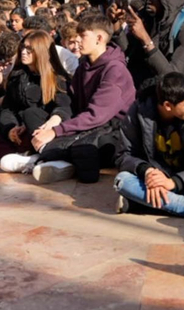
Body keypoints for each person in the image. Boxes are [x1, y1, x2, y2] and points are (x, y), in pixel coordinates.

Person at [28, 13, 136, 184]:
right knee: (32, 115)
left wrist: (56, 131)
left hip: (112, 131)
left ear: (99, 38)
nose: (77, 40)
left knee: (86, 149)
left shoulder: (115, 70)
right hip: (84, 125)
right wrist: (55, 120)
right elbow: (71, 101)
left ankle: (44, 158)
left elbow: (97, 116)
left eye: (83, 35)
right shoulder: (84, 65)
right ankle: (55, 158)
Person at [113, 72, 184, 216]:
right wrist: (148, 172)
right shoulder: (138, 112)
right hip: (154, 180)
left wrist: (175, 183)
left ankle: (142, 204)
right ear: (168, 105)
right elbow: (123, 155)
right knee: (122, 180)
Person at [0, 28, 71, 165]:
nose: (23, 52)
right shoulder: (17, 75)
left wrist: (49, 125)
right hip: (20, 130)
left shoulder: (57, 78)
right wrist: (10, 129)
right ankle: (27, 154)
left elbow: (64, 108)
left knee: (31, 114)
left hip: (44, 128)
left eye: (29, 49)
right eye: (23, 48)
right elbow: (8, 108)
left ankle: (34, 152)